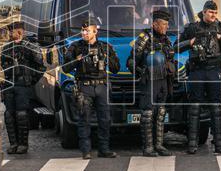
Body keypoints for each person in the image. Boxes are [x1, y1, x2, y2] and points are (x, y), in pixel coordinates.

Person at [62, 15, 121, 159]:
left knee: (105, 119)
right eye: (82, 30)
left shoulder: (105, 47)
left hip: (101, 87)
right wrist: (78, 59)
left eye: (87, 31)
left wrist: (107, 58)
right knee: (84, 119)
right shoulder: (75, 47)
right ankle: (86, 150)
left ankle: (104, 149)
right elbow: (65, 68)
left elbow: (116, 69)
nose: (84, 33)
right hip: (85, 86)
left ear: (95, 32)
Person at [179, 0, 221, 154]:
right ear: (203, 12)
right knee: (194, 108)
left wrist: (220, 39)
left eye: (215, 13)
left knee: (216, 108)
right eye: (210, 12)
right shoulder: (192, 28)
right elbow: (176, 46)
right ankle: (192, 144)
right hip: (196, 71)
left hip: (214, 71)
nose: (213, 15)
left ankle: (219, 144)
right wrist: (189, 42)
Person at [127, 9, 176, 157]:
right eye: (164, 24)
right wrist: (142, 72)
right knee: (148, 114)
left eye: (167, 24)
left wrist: (172, 67)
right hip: (149, 81)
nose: (167, 27)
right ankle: (148, 147)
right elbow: (131, 61)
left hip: (163, 81)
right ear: (155, 24)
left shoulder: (166, 40)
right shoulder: (144, 38)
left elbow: (171, 58)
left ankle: (159, 145)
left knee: (161, 112)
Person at [0, 21, 44, 155]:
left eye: (11, 31)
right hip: (9, 85)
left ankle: (23, 144)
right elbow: (4, 67)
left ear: (19, 32)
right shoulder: (7, 48)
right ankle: (13, 144)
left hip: (23, 85)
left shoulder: (31, 47)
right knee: (9, 114)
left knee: (22, 114)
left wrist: (30, 81)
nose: (9, 34)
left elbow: (40, 67)